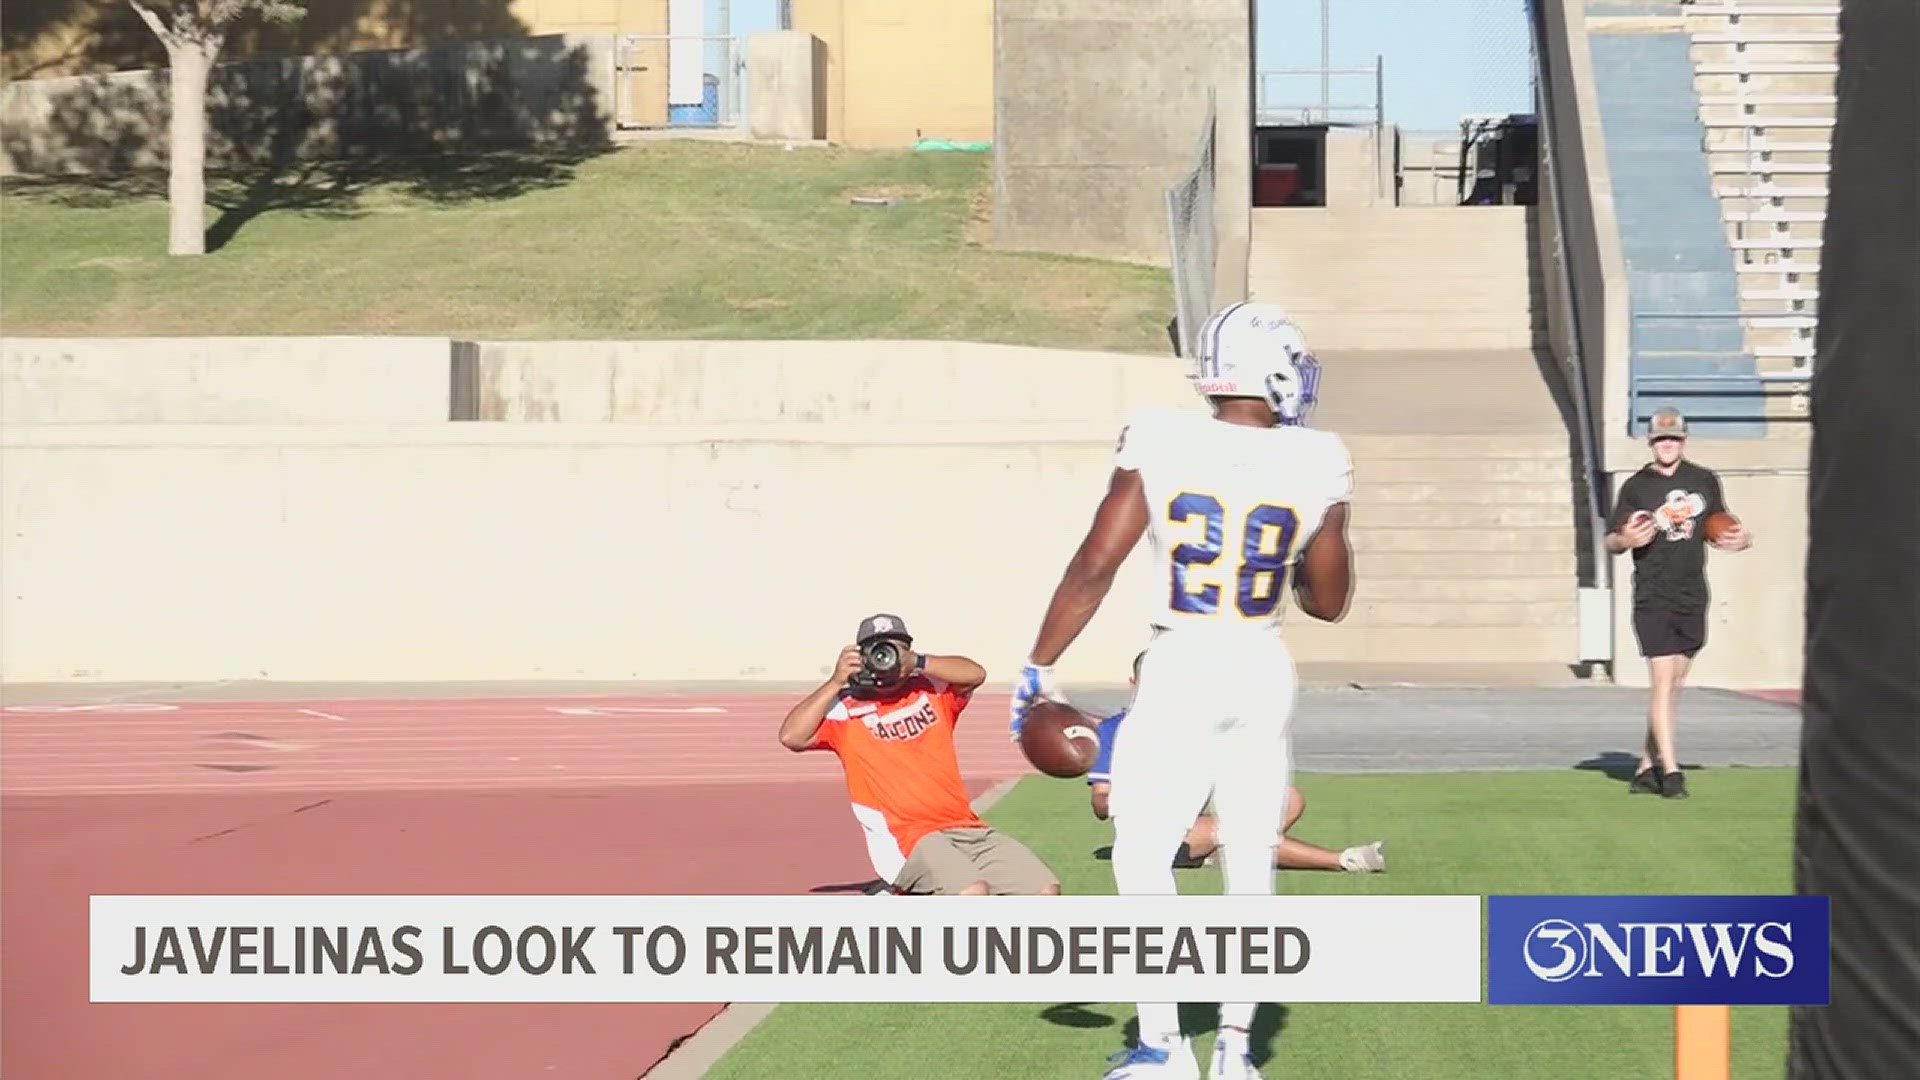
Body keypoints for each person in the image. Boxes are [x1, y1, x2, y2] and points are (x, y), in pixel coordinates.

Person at [1008, 301, 1355, 1080]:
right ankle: (1237, 1050)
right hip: (1262, 664)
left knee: (1141, 853)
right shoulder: (1320, 456)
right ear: (1270, 370)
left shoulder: (1162, 437)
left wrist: (1039, 665)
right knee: (1249, 857)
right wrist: (1324, 516)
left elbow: (1095, 563)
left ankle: (1163, 1044)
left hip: (1184, 659)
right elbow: (1328, 602)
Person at [779, 614, 1060, 897]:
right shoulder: (845, 706)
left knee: (1043, 890)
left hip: (965, 827)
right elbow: (792, 736)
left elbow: (976, 674)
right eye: (876, 650)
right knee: (971, 893)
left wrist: (919, 662)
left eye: (894, 648)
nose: (885, 658)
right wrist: (835, 681)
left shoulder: (932, 689)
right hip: (906, 835)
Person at [1087, 652, 1386, 874]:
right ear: (1133, 683)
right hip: (1152, 835)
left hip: (1193, 825)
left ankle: (1220, 851)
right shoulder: (1117, 730)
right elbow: (1100, 803)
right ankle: (1343, 860)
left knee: (1288, 798)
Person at [1604, 407, 1752, 800]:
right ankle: (1671, 771)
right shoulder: (1637, 486)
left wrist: (1741, 539)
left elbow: (1720, 526)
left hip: (1691, 592)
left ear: (1684, 440)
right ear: (1650, 442)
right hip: (1654, 592)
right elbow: (1612, 539)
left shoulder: (1703, 481)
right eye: (1660, 439)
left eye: (1674, 439)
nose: (1667, 444)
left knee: (1675, 686)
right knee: (1662, 683)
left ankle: (1646, 765)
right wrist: (1625, 540)